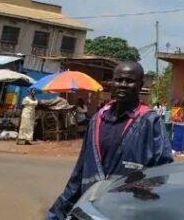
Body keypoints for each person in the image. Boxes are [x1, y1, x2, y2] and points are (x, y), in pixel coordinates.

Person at [47, 61, 173, 219]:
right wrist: (56, 214)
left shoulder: (150, 121)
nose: (123, 85)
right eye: (119, 80)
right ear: (112, 83)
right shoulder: (97, 120)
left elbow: (163, 171)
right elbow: (79, 173)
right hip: (92, 208)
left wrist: (142, 197)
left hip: (128, 211)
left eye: (129, 81)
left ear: (140, 85)